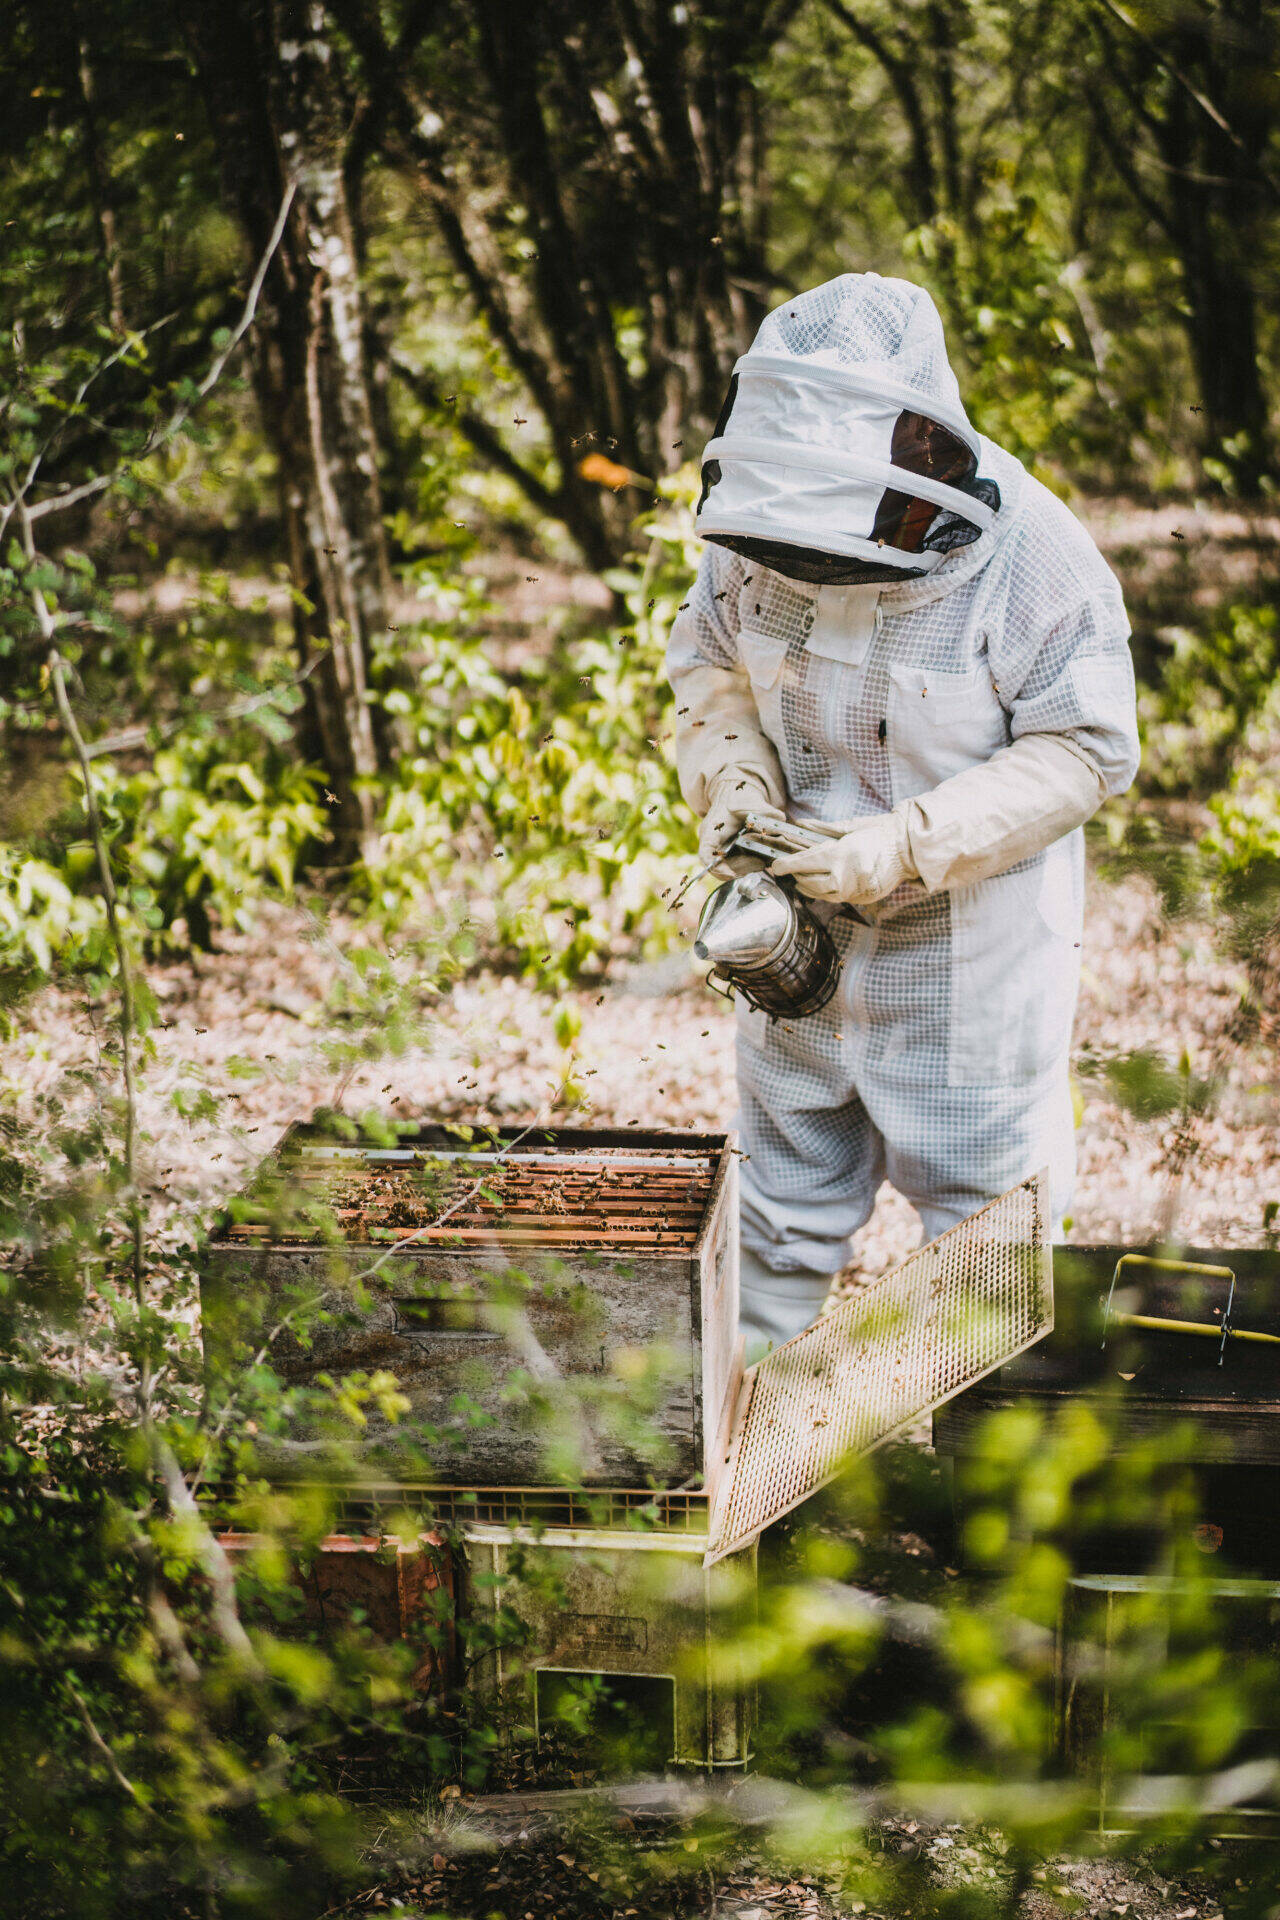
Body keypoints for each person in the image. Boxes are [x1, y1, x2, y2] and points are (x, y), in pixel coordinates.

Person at [666, 272, 1139, 1361]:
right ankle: (733, 1507)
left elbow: (1086, 745)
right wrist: (734, 779)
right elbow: (707, 668)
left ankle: (988, 1517)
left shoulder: (1033, 554)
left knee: (985, 1260)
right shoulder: (760, 522)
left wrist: (904, 845)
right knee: (773, 1235)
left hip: (964, 969)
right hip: (788, 949)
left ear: (921, 454)